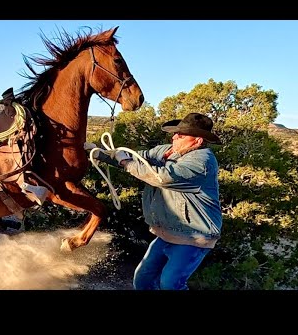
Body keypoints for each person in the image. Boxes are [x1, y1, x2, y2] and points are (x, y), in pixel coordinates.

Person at [93, 112, 223, 290]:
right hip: (168, 232)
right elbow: (133, 157)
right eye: (176, 133)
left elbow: (162, 178)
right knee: (143, 280)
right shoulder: (165, 151)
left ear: (198, 141)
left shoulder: (203, 162)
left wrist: (126, 163)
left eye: (181, 135)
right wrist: (96, 152)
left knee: (170, 284)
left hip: (194, 237)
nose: (174, 136)